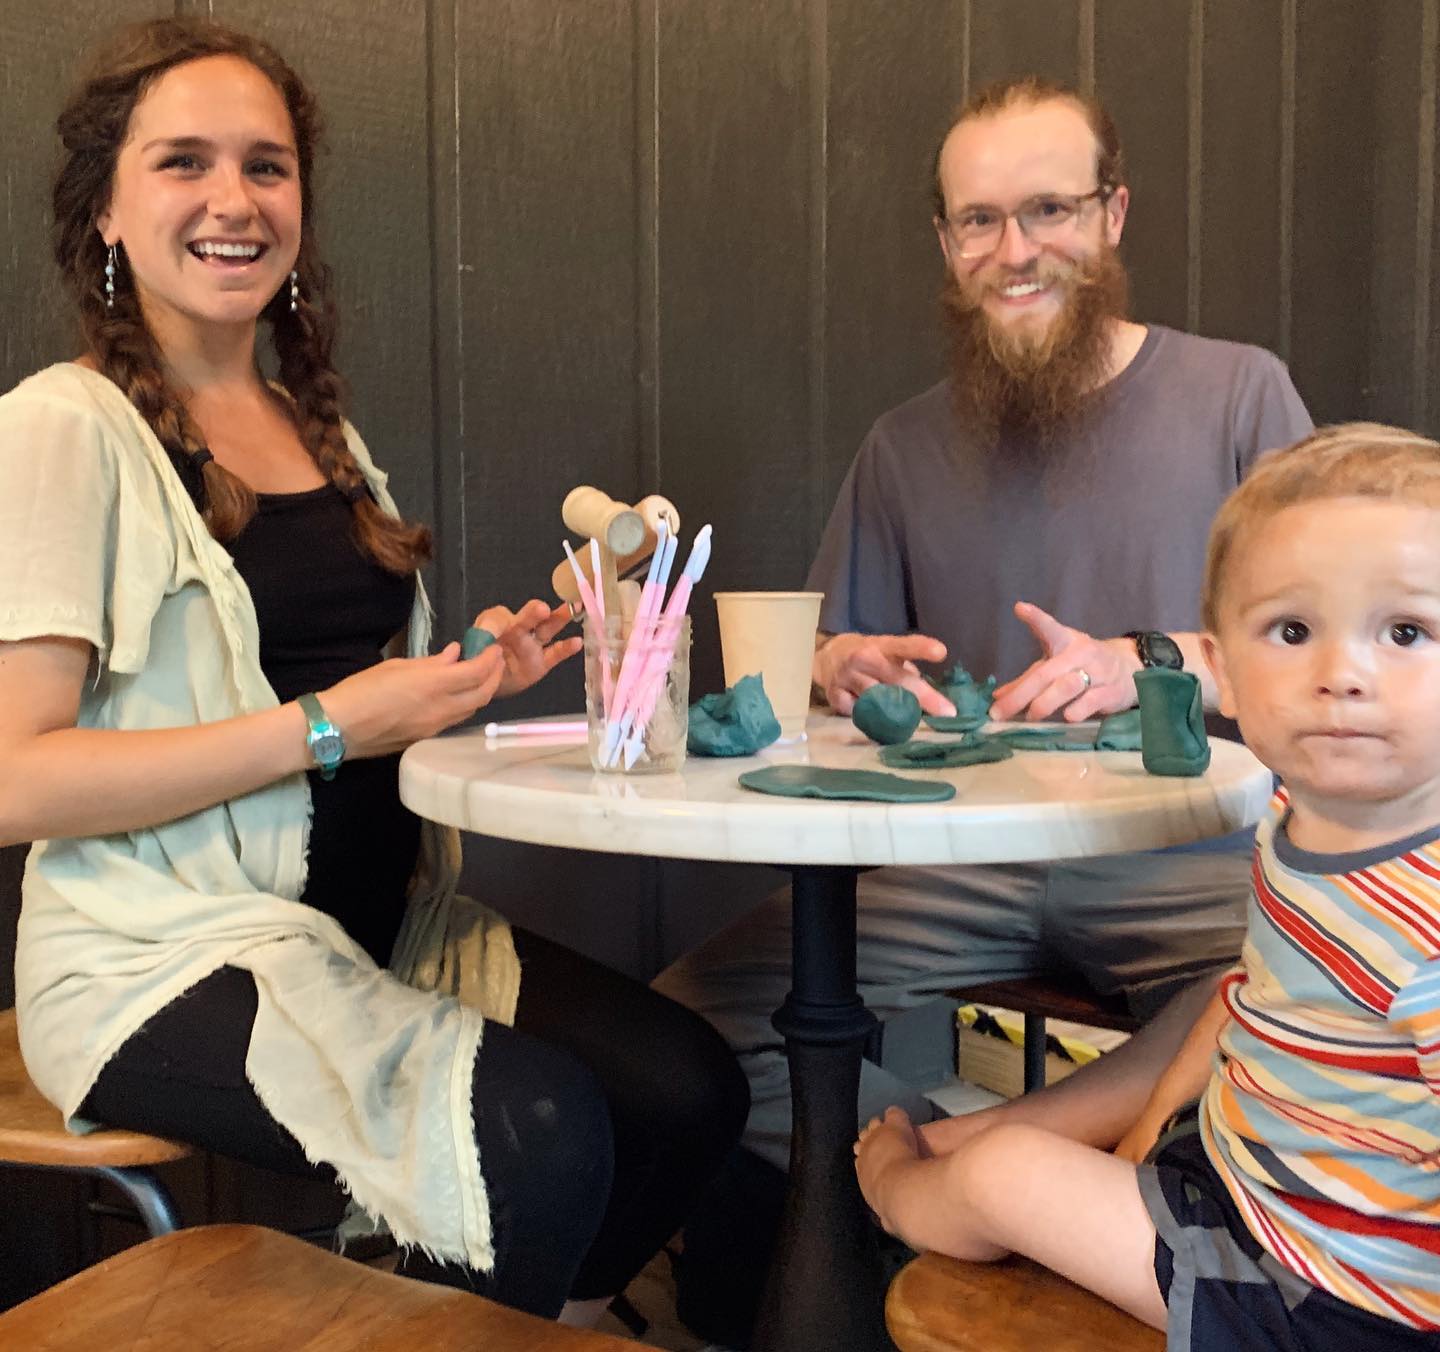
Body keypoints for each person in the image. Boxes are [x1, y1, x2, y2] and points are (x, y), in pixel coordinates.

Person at [0, 17, 746, 1327]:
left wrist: (465, 675)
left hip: (372, 931)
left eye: (267, 165)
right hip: (152, 959)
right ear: (105, 210)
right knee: (538, 1131)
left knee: (689, 1090)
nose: (235, 199)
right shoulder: (62, 427)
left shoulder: (314, 428)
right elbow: (18, 781)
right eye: (183, 162)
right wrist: (333, 723)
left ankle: (509, 1321)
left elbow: (339, 697)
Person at [654, 75, 1312, 1342]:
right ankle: (957, 1174)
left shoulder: (1241, 395)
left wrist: (1154, 659)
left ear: (1113, 214)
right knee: (693, 1030)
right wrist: (837, 663)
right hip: (962, 856)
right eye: (980, 221)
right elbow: (825, 667)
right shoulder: (901, 447)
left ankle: (990, 1164)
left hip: (1188, 850)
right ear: (946, 243)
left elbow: (1322, 642)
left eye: (1049, 209)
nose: (1016, 250)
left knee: (1279, 1003)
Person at [855, 420, 1440, 1347]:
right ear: (1222, 673)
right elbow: (1251, 1001)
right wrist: (1151, 1133)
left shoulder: (1424, 917)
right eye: (1293, 631)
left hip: (1320, 1296)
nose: (1342, 674)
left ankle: (894, 1192)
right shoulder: (1302, 818)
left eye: (1405, 631)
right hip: (1248, 1175)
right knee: (1216, 1000)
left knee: (1007, 1175)